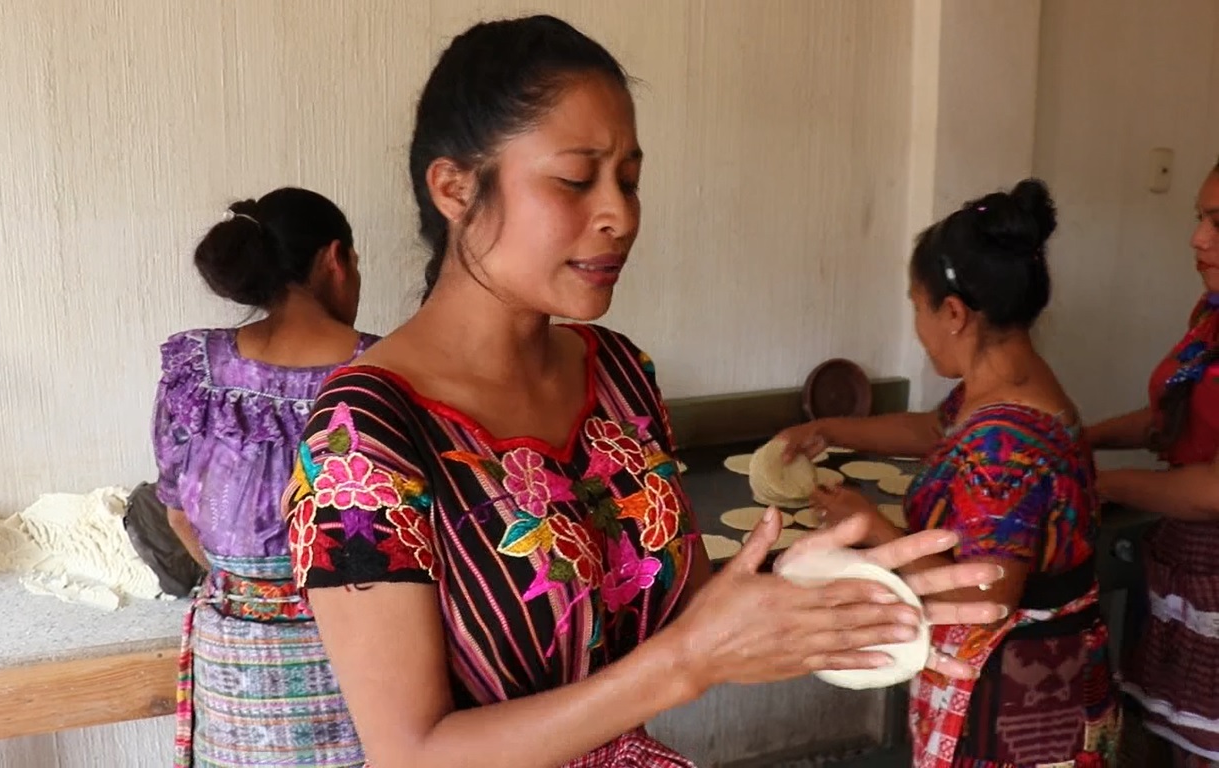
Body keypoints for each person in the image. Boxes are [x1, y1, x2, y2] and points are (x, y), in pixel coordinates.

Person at [282, 15, 1006, 768]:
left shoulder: (619, 375)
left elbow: (683, 615)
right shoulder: (362, 435)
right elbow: (410, 753)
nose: (620, 215)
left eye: (629, 180)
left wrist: (820, 594)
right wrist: (687, 662)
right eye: (576, 179)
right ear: (454, 188)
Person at [785, 180, 1119, 767]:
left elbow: (986, 594)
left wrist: (872, 527)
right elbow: (932, 431)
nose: (918, 324)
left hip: (1016, 711)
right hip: (1052, 682)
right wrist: (830, 430)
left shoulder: (1001, 441)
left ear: (955, 313)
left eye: (918, 306)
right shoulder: (1011, 387)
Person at [152, 187, 378, 767]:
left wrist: (255, 589)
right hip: (361, 656)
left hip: (236, 671)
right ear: (336, 259)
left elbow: (178, 515)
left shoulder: (195, 370)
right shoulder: (387, 372)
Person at [1089, 157, 1219, 767]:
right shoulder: (1210, 319)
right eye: (1199, 218)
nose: (1197, 238)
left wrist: (1101, 482)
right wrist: (1077, 440)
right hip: (1183, 565)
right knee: (1170, 740)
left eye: (1218, 223)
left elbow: (1213, 491)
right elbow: (1171, 418)